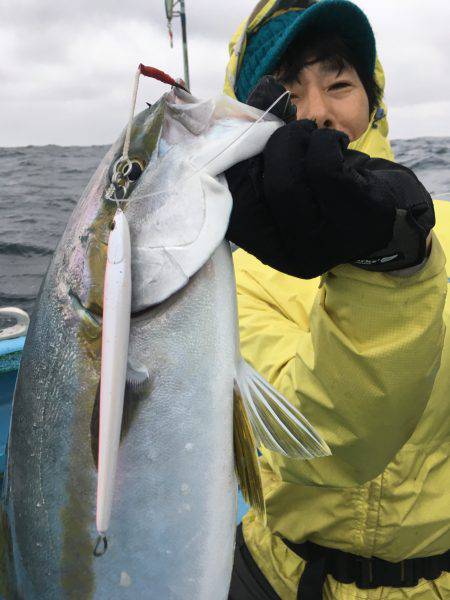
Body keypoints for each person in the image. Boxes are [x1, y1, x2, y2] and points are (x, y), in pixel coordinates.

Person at [222, 1, 450, 598]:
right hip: (276, 572)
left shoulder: (439, 234)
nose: (317, 113)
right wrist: (387, 273)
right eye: (287, 95)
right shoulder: (227, 273)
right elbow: (311, 445)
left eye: (339, 83)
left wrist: (406, 245)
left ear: (372, 99)